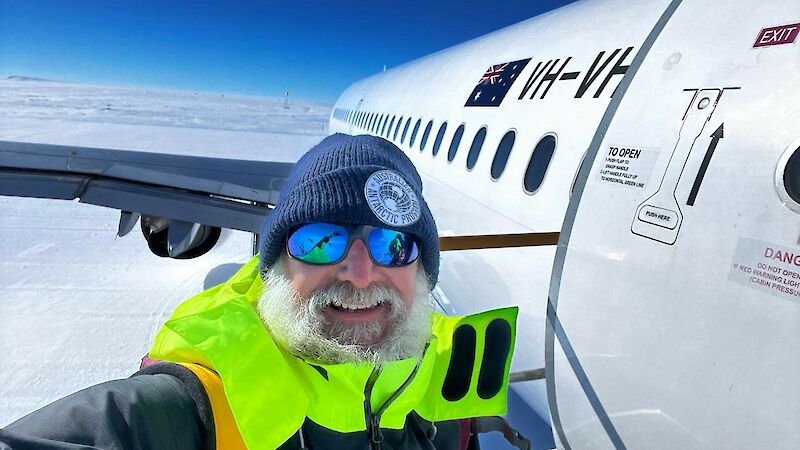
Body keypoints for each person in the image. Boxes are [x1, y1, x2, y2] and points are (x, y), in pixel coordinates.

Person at [0, 134, 519, 450]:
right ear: (273, 266)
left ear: (423, 272)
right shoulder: (193, 411)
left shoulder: (445, 392)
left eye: (394, 244)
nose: (361, 274)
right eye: (319, 241)